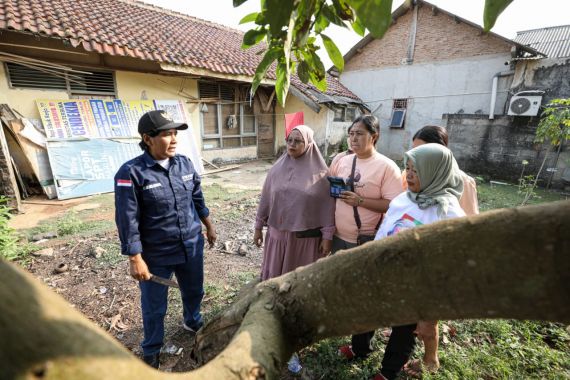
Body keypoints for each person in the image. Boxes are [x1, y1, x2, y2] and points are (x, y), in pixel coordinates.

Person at [114, 110, 216, 369]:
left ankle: (192, 320)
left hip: (191, 245)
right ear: (147, 139)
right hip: (156, 254)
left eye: (175, 133)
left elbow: (197, 199)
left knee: (194, 290)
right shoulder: (131, 173)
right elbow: (127, 219)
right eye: (166, 134)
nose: (173, 139)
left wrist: (209, 226)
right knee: (154, 306)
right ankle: (151, 348)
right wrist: (135, 258)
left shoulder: (184, 164)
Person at [373, 143, 465, 380]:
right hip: (390, 278)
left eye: (417, 170)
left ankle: (388, 371)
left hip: (418, 289)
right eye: (408, 168)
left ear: (436, 172)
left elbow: (450, 264)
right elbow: (384, 231)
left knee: (405, 331)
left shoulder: (448, 213)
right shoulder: (403, 199)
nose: (409, 175)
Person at [253, 124, 335, 373]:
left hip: (304, 242)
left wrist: (327, 235)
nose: (292, 145)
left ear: (308, 143)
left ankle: (293, 344)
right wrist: (258, 226)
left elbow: (328, 207)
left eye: (298, 141)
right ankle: (269, 330)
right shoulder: (276, 169)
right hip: (278, 237)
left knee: (296, 291)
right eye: (290, 139)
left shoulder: (321, 174)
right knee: (275, 287)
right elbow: (266, 198)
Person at [331, 115, 403, 360]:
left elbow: (394, 205)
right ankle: (346, 330)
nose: (353, 138)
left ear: (374, 136)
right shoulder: (343, 160)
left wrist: (360, 200)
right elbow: (330, 186)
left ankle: (361, 346)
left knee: (364, 295)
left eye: (360, 133)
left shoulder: (386, 166)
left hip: (366, 239)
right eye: (351, 133)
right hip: (339, 236)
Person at [406, 125, 479, 216]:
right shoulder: (408, 175)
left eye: (422, 151)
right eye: (414, 151)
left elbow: (470, 219)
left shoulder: (464, 182)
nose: (416, 156)